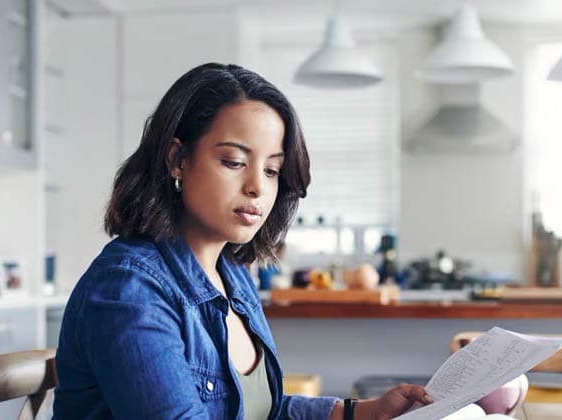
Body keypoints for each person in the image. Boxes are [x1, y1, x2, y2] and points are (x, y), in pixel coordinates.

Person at [53, 63, 431, 419]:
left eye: (272, 170)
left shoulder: (233, 276)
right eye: (234, 162)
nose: (256, 187)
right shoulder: (129, 289)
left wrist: (363, 412)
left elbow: (263, 409)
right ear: (177, 159)